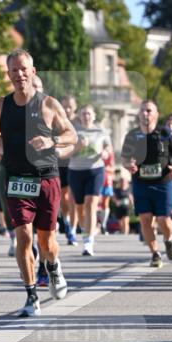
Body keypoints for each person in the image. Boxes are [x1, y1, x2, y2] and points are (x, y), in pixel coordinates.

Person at [0, 49, 77, 318]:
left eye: (24, 69)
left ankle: (53, 266)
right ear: (9, 74)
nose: (19, 74)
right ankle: (31, 295)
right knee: (23, 235)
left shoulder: (49, 104)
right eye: (14, 70)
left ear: (33, 72)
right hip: (16, 179)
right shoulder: (1, 105)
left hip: (46, 178)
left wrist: (52, 141)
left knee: (47, 242)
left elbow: (71, 135)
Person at [121, 100, 172, 267]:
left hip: (164, 182)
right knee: (145, 219)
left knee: (163, 219)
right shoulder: (132, 135)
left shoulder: (165, 132)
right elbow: (124, 158)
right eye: (142, 110)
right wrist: (128, 165)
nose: (145, 113)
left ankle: (169, 240)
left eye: (149, 110)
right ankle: (155, 254)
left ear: (156, 114)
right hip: (141, 183)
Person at [67, 104, 113, 257]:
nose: (86, 116)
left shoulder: (101, 131)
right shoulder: (73, 131)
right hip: (76, 171)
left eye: (89, 113)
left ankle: (89, 242)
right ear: (79, 116)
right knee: (80, 208)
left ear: (94, 116)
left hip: (96, 170)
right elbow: (66, 152)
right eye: (83, 113)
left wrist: (105, 153)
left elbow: (108, 148)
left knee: (91, 204)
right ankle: (85, 232)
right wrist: (78, 147)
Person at [59, 94, 79, 245]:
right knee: (64, 198)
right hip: (61, 163)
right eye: (64, 106)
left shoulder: (79, 122)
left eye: (70, 106)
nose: (67, 109)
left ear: (75, 107)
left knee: (73, 198)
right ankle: (66, 220)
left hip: (77, 164)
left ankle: (72, 230)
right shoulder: (57, 121)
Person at [111, 169, 133, 235]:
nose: (123, 183)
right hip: (119, 207)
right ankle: (122, 232)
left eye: (124, 181)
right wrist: (116, 201)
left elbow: (131, 197)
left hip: (127, 207)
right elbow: (113, 197)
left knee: (126, 221)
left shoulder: (129, 189)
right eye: (122, 181)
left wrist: (132, 204)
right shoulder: (117, 190)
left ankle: (126, 234)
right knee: (120, 222)